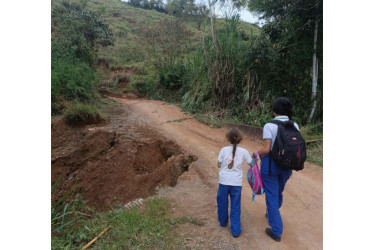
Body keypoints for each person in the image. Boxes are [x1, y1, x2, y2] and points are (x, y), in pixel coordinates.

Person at [253, 97, 299, 242]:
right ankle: (271, 213)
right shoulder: (294, 125)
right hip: (288, 166)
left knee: (271, 196)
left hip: (271, 167)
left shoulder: (269, 125)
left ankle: (276, 230)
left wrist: (255, 154)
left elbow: (266, 149)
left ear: (274, 110)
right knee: (278, 192)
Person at [217, 127, 252, 238]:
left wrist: (223, 165)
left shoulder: (223, 150)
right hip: (236, 184)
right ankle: (236, 230)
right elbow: (252, 164)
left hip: (223, 182)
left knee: (222, 202)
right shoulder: (244, 152)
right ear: (240, 139)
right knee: (235, 205)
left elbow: (218, 163)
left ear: (228, 138)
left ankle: (223, 222)